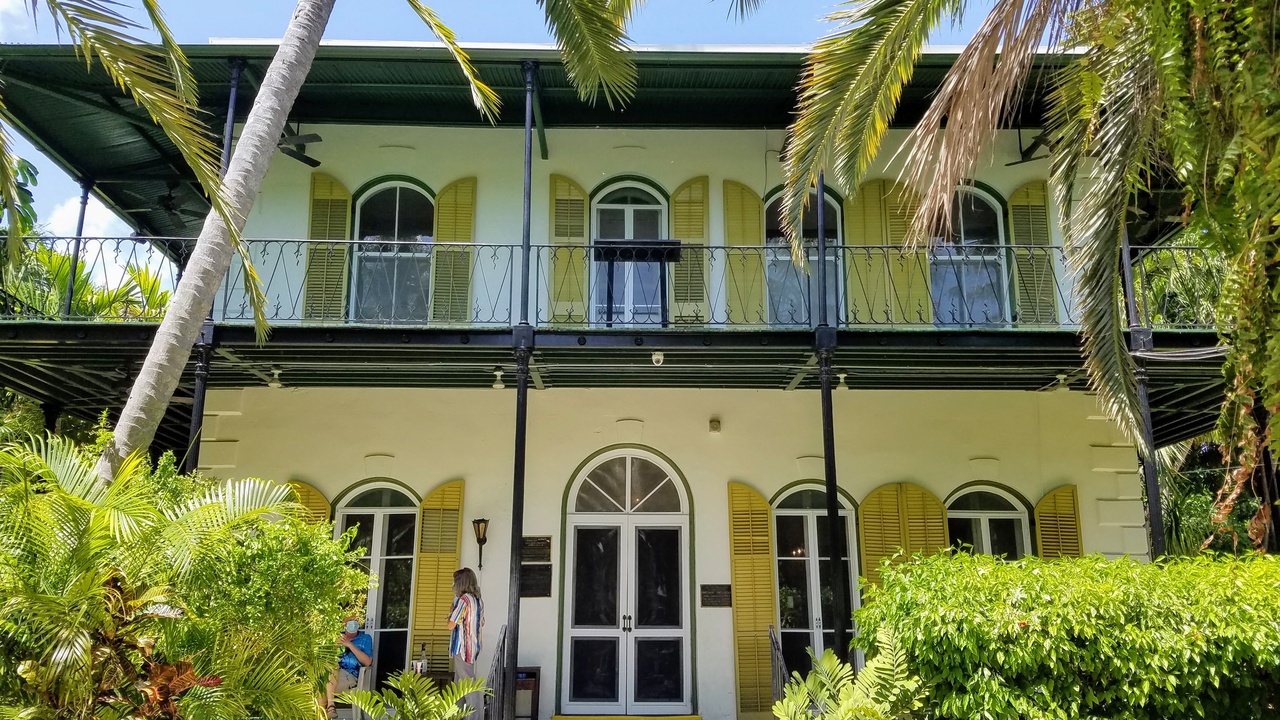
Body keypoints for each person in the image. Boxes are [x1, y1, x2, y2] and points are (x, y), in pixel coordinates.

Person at [448, 568, 485, 714]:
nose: (453, 584)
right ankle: (457, 715)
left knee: (469, 686)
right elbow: (481, 622)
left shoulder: (463, 600)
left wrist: (451, 611)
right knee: (459, 687)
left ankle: (474, 717)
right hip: (472, 647)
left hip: (462, 648)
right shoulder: (478, 600)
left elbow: (451, 624)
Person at [324, 614, 373, 718]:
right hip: (331, 673)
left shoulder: (365, 638)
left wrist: (350, 645)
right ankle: (330, 706)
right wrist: (334, 646)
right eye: (350, 622)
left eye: (356, 622)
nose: (353, 625)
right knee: (330, 669)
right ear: (344, 625)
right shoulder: (335, 637)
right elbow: (324, 658)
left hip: (349, 676)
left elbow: (368, 662)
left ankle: (330, 706)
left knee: (321, 690)